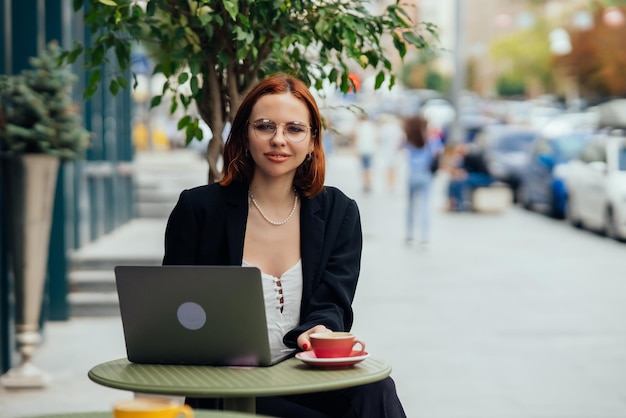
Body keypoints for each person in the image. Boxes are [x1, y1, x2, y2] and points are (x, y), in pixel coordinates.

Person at [162, 74, 406, 418]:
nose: (279, 140)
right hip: (226, 383)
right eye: (265, 126)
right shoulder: (199, 210)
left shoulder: (339, 212)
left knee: (376, 391)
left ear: (312, 141)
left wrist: (318, 331)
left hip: (304, 375)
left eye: (294, 129)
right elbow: (173, 308)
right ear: (245, 134)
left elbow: (333, 304)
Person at [402, 115, 440, 245]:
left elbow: (402, 149)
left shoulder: (410, 138)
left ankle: (409, 234)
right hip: (426, 174)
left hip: (413, 174)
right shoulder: (431, 139)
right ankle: (424, 236)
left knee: (411, 206)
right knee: (425, 205)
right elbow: (438, 152)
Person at [446, 143, 493, 211]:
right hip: (474, 176)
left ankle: (461, 204)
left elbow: (467, 172)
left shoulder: (472, 156)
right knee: (454, 181)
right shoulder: (464, 158)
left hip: (484, 177)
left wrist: (461, 173)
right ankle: (452, 202)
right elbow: (461, 171)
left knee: (462, 180)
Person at [350, 112, 378, 193]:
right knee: (368, 167)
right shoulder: (371, 126)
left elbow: (354, 137)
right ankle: (368, 182)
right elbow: (376, 138)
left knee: (363, 167)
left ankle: (365, 183)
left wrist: (354, 149)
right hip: (370, 149)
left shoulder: (358, 126)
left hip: (362, 149)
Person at [377, 114, 405, 193]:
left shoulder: (384, 128)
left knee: (388, 169)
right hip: (395, 151)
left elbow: (379, 139)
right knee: (394, 169)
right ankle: (393, 185)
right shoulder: (397, 128)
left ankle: (389, 185)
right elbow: (402, 139)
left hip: (386, 151)